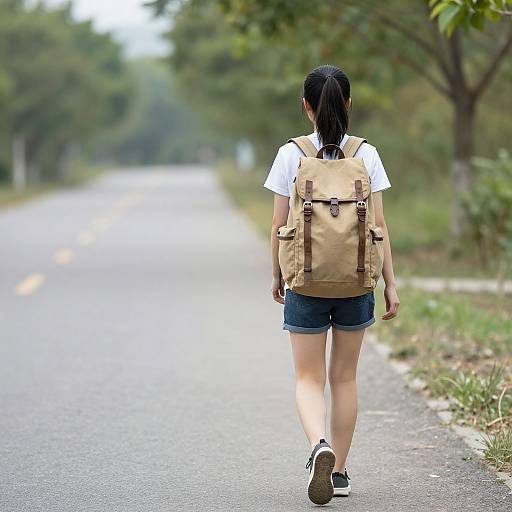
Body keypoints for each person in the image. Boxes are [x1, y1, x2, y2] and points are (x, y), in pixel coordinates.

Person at [263, 64, 400, 505]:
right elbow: (379, 226)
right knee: (345, 378)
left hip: (305, 280)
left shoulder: (291, 155)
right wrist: (389, 285)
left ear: (306, 106)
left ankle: (318, 444)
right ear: (349, 104)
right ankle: (339, 471)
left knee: (308, 376)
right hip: (357, 283)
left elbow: (278, 222)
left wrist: (276, 273)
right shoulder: (367, 154)